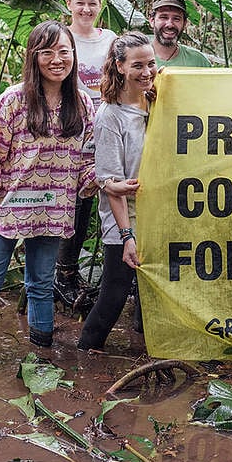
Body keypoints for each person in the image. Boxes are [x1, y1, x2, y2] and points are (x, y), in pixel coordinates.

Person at [0, 21, 97, 369]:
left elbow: (87, 157)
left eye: (64, 52)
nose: (57, 60)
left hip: (53, 209)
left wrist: (103, 180)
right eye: (48, 52)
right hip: (6, 208)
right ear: (34, 56)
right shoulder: (13, 99)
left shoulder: (82, 103)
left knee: (41, 285)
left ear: (74, 55)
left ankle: (40, 363)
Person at [77, 32, 156, 351]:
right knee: (114, 293)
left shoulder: (156, 100)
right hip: (123, 220)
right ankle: (86, 355)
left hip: (157, 214)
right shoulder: (109, 117)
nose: (147, 72)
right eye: (138, 65)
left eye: (151, 64)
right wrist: (127, 237)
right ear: (120, 66)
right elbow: (111, 185)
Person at [54, 0, 117, 313]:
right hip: (68, 129)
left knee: (94, 197)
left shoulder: (109, 40)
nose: (86, 9)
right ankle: (63, 274)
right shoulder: (61, 38)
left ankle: (91, 275)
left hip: (103, 129)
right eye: (80, 3)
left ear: (100, 5)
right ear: (70, 4)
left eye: (92, 3)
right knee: (72, 202)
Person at [149, 0, 212, 68]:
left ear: (185, 23)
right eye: (163, 17)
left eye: (176, 19)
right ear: (152, 20)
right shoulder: (137, 58)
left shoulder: (198, 61)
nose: (170, 24)